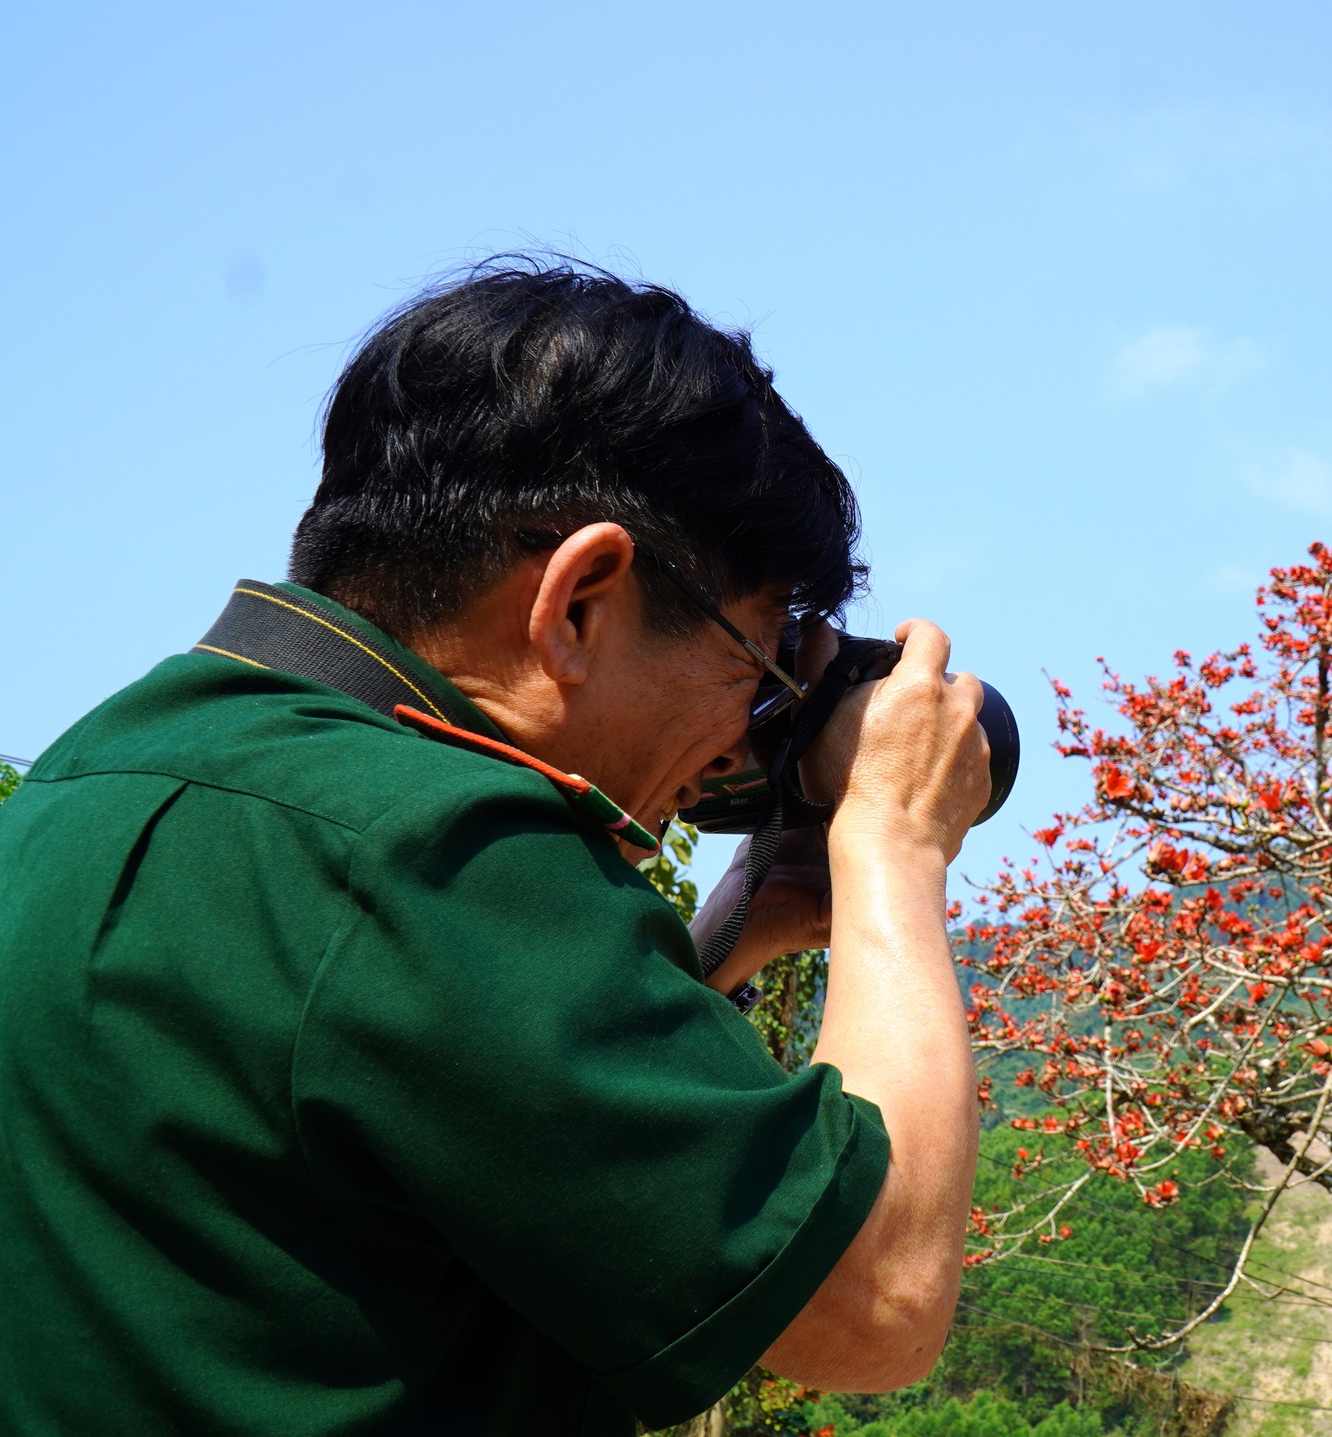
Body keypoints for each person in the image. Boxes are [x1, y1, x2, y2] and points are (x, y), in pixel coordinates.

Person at [0, 259, 989, 1435]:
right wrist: (893, 838)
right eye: (760, 662)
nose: (746, 735)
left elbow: (396, 1077)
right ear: (581, 599)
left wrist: (727, 933)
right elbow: (872, 1304)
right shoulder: (435, 844)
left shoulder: (95, 775)